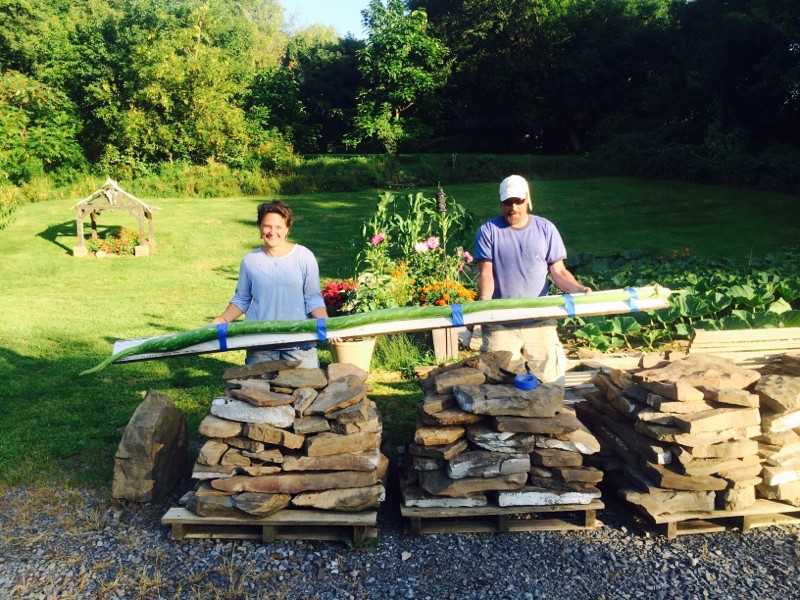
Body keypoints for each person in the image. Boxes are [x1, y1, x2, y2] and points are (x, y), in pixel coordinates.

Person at [474, 175, 591, 384]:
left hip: (540, 318)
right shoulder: (488, 231)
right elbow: (486, 274)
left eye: (518, 201)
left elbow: (559, 272)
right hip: (501, 320)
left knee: (551, 378)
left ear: (527, 199)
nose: (513, 208)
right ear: (501, 202)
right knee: (499, 379)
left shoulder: (545, 228)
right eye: (507, 202)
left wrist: (579, 289)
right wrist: (485, 305)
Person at [213, 200, 330, 368]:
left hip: (300, 342)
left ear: (287, 229)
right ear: (260, 227)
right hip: (261, 342)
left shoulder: (304, 256)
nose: (272, 232)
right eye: (267, 226)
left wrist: (326, 323)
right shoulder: (250, 261)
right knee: (259, 385)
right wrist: (222, 319)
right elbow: (242, 299)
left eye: (278, 227)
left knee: (307, 384)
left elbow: (312, 297)